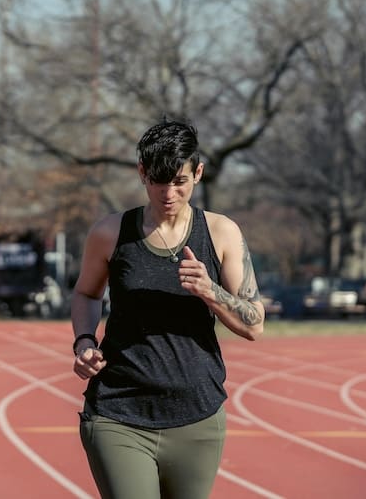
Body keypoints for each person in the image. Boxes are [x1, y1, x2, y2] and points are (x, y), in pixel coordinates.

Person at [71, 119, 265, 499]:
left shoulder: (222, 232)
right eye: (159, 180)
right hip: (119, 413)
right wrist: (83, 342)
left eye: (180, 181)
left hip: (198, 417)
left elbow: (255, 323)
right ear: (142, 173)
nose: (169, 192)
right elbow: (87, 294)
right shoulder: (111, 233)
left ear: (198, 173)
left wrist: (211, 290)